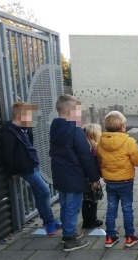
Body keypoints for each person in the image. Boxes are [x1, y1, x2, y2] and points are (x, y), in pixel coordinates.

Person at [2, 102, 62, 235]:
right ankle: (49, 222)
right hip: (25, 168)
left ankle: (48, 221)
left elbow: (30, 144)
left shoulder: (26, 128)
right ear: (19, 115)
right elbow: (8, 153)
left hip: (33, 165)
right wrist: (13, 171)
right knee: (45, 192)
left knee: (39, 194)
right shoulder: (9, 131)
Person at [49, 95, 100, 251]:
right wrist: (94, 178)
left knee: (65, 206)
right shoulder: (75, 131)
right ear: (70, 111)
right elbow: (85, 157)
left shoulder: (55, 127)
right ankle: (70, 239)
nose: (80, 113)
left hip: (60, 174)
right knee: (73, 208)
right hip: (74, 176)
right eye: (78, 110)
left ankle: (68, 232)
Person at [97, 111, 138, 248]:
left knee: (111, 207)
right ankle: (130, 236)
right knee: (127, 207)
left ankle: (110, 237)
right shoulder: (129, 141)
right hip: (125, 181)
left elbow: (99, 157)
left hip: (109, 180)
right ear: (123, 127)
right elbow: (137, 161)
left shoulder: (101, 140)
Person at [81, 123, 103, 229]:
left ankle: (86, 221)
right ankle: (92, 220)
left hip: (83, 178)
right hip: (92, 178)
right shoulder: (95, 149)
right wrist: (97, 179)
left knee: (85, 200)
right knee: (93, 200)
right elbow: (97, 165)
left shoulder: (84, 148)